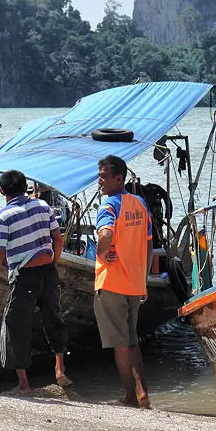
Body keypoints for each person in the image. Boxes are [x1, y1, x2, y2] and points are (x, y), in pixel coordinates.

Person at [0, 169, 70, 394]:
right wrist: (53, 264)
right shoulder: (43, 206)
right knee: (53, 318)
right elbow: (57, 238)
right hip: (48, 271)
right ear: (25, 187)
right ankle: (60, 368)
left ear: (2, 191)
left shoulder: (4, 216)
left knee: (15, 325)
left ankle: (24, 385)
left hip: (25, 277)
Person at [94, 155, 153, 408]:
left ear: (119, 178)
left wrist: (101, 255)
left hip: (112, 282)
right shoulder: (140, 203)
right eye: (99, 176)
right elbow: (149, 245)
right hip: (134, 284)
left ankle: (129, 397)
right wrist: (144, 279)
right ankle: (143, 393)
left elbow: (105, 235)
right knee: (131, 341)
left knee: (120, 345)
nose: (100, 181)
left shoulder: (108, 206)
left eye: (104, 176)